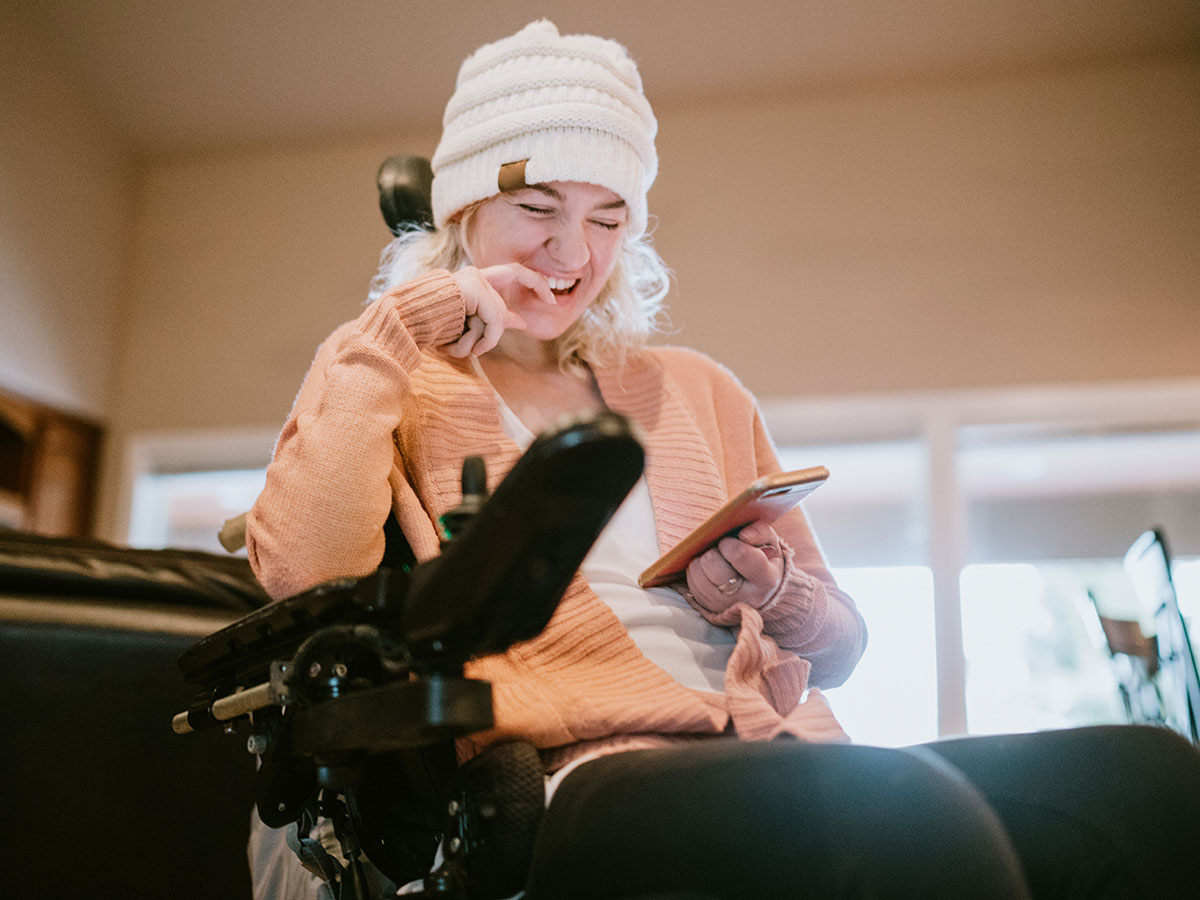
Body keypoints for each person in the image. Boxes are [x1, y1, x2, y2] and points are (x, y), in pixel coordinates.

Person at [244, 19, 1200, 900]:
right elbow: (303, 577)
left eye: (610, 217)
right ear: (462, 211)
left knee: (1147, 783)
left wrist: (771, 592)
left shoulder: (695, 389)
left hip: (783, 745)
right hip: (590, 773)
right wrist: (402, 323)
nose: (572, 250)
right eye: (537, 205)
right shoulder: (398, 382)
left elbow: (843, 649)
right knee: (908, 826)